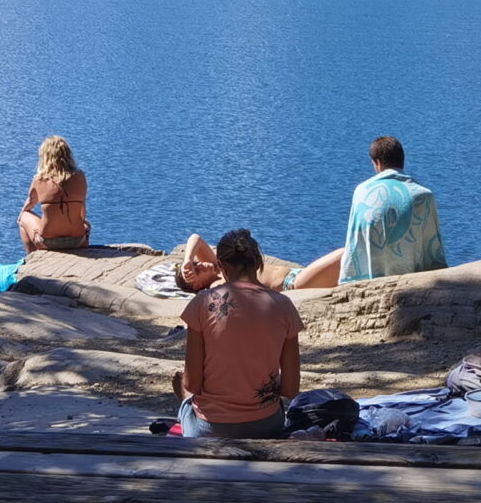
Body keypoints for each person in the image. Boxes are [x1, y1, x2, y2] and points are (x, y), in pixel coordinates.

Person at [177, 229, 302, 438]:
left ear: (223, 267)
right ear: (259, 264)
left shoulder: (203, 303)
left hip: (209, 429)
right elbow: (290, 389)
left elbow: (193, 383)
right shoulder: (284, 305)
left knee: (185, 395)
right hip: (266, 425)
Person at [288, 135, 446, 290]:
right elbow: (432, 248)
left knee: (341, 253)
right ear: (402, 160)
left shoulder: (362, 190)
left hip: (369, 278)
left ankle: (290, 282)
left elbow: (354, 241)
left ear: (377, 163)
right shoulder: (425, 195)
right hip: (412, 279)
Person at [18, 135, 90, 252]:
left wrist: (21, 214)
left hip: (48, 242)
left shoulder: (40, 180)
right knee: (86, 224)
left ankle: (32, 258)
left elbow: (30, 204)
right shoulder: (80, 177)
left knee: (24, 217)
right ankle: (82, 250)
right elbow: (82, 213)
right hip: (78, 240)